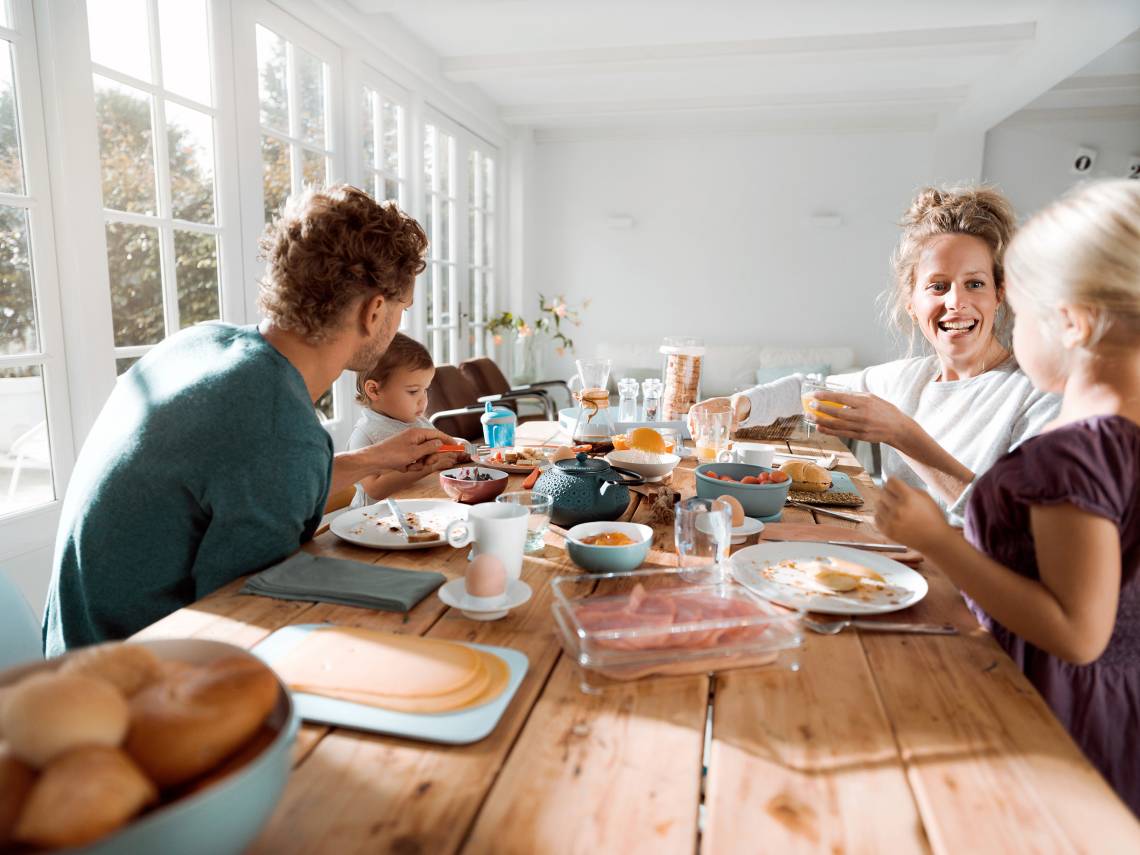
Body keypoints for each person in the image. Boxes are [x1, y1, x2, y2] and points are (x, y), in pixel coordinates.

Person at [43, 185, 459, 655]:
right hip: (130, 688)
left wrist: (370, 460)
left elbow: (243, 481)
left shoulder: (198, 344)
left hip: (70, 653)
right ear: (375, 310)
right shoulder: (277, 427)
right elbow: (251, 621)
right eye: (401, 309)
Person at [875, 179, 1140, 815]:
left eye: (1015, 308)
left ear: (1071, 323)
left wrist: (935, 538)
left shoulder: (1071, 455)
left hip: (1052, 718)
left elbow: (1077, 632)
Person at [689, 185, 1059, 524]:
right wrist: (737, 405)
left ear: (999, 294)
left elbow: (1013, 528)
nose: (956, 302)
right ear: (911, 302)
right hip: (890, 565)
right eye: (938, 286)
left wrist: (902, 434)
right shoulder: (907, 378)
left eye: (974, 284)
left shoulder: (1035, 396)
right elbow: (808, 388)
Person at [348, 332, 458, 508]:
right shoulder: (364, 435)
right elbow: (374, 489)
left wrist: (458, 448)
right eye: (413, 391)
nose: (423, 400)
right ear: (374, 391)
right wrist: (428, 468)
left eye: (426, 390)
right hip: (374, 521)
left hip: (416, 506)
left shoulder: (418, 422)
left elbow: (438, 448)